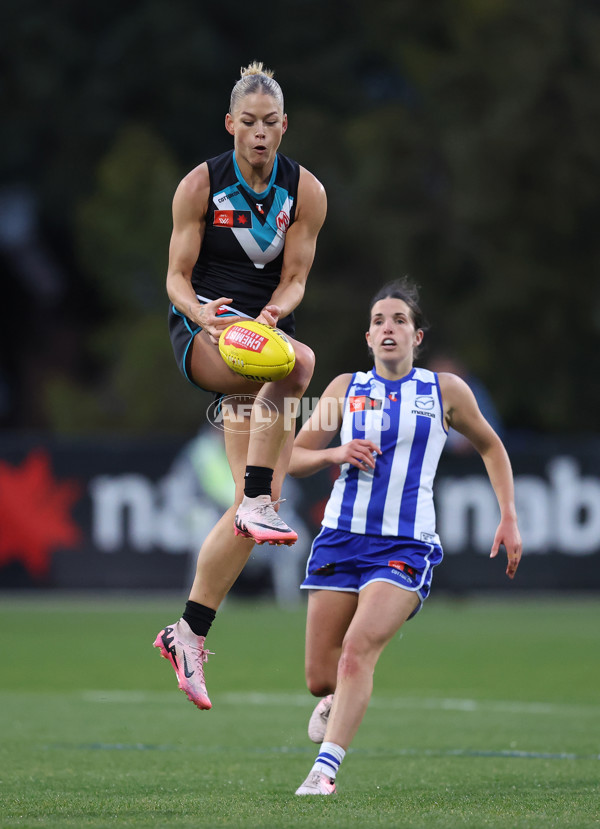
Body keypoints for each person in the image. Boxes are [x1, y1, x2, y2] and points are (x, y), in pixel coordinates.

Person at [288, 277, 521, 795]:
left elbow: (492, 447)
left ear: (417, 337)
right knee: (320, 677)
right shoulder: (344, 389)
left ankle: (324, 772)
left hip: (404, 545)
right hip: (339, 539)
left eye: (398, 320)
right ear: (367, 338)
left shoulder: (443, 391)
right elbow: (293, 458)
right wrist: (331, 454)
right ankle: (338, 698)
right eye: (378, 321)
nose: (387, 328)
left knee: (356, 651)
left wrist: (508, 514)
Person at [153, 62, 327, 711]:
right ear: (231, 124)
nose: (258, 134)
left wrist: (276, 312)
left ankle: (188, 633)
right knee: (300, 366)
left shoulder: (306, 192)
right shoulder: (200, 185)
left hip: (262, 336)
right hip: (206, 332)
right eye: (247, 123)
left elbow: (298, 276)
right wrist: (200, 313)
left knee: (250, 513)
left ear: (285, 126)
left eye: (269, 123)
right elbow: (173, 275)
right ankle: (258, 496)